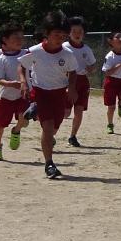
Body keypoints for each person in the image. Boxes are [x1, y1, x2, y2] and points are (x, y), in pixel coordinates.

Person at [25, 13, 74, 178]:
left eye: (63, 35)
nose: (60, 38)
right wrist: (23, 82)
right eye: (56, 34)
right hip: (41, 93)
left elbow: (73, 71)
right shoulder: (35, 51)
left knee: (54, 128)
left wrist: (72, 88)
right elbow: (21, 66)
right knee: (48, 127)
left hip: (59, 94)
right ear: (46, 33)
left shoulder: (67, 53)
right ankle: (49, 164)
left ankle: (36, 112)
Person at [0, 23, 30, 160]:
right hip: (5, 97)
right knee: (0, 125)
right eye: (15, 37)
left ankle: (16, 130)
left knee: (24, 119)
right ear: (5, 40)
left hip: (23, 95)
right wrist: (11, 84)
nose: (19, 39)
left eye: (21, 37)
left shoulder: (26, 54)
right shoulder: (1, 59)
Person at [63, 16, 94, 148]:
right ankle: (50, 132)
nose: (77, 34)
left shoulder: (86, 49)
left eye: (80, 31)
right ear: (69, 33)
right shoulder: (64, 47)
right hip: (66, 80)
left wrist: (90, 68)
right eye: (74, 31)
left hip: (82, 81)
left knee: (79, 110)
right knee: (65, 112)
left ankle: (73, 136)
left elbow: (93, 65)